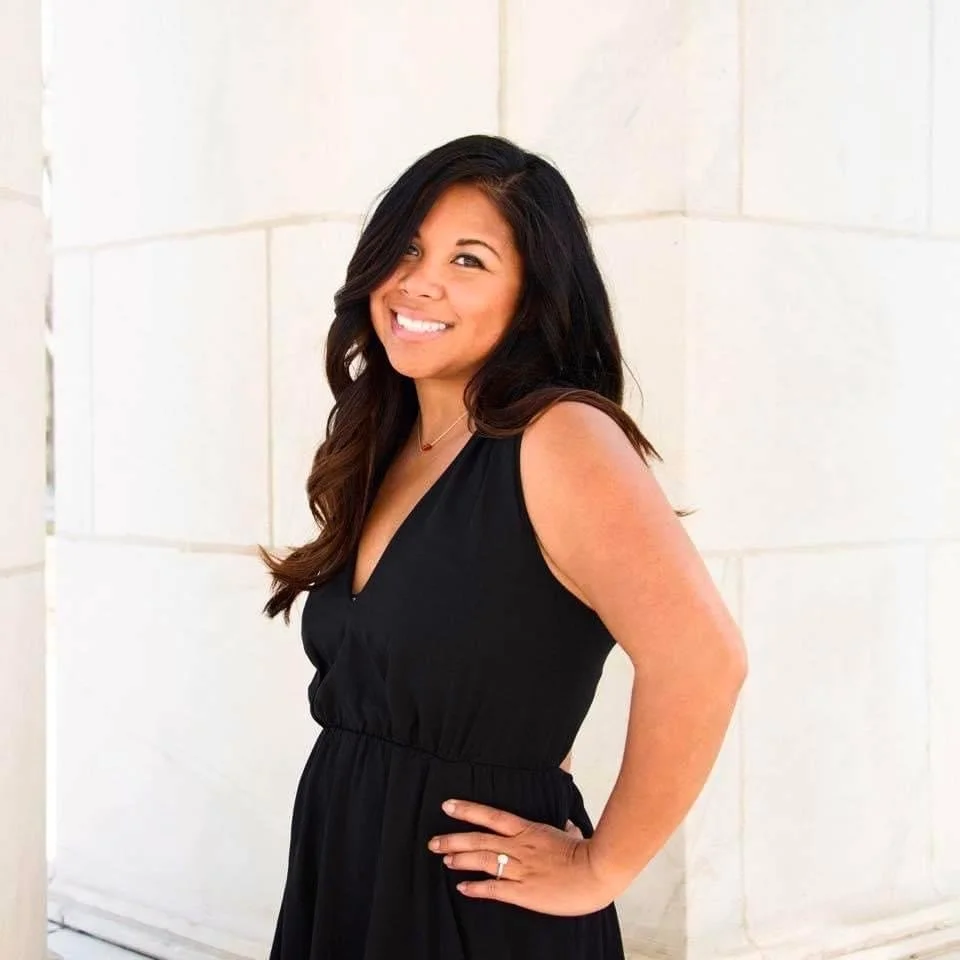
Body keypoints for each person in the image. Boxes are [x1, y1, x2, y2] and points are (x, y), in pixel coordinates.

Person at [259, 134, 747, 959]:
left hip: (475, 905)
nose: (420, 281)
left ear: (533, 292)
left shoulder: (562, 437)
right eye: (407, 248)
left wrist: (603, 867)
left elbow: (703, 659)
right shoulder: (392, 443)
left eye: (470, 260)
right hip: (347, 869)